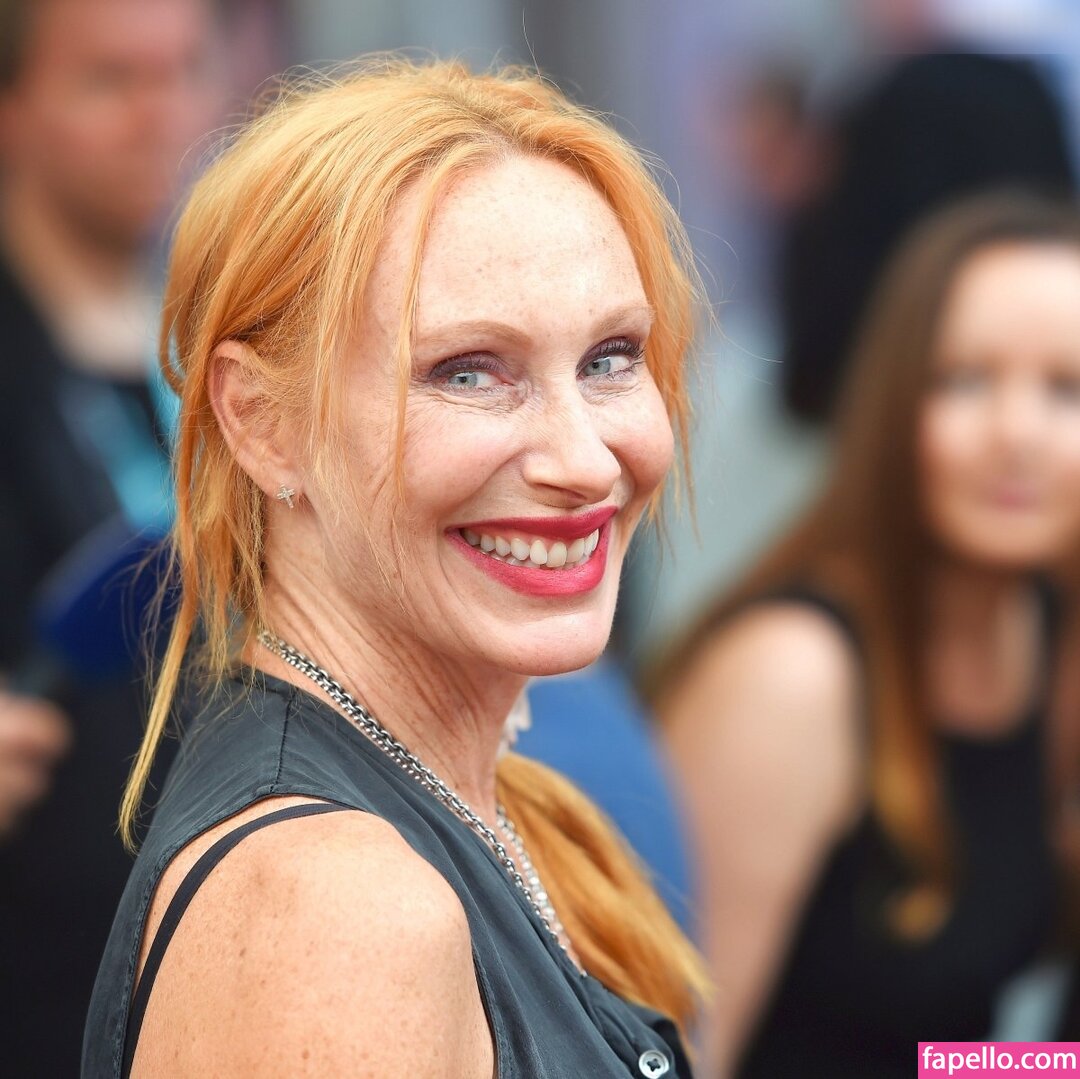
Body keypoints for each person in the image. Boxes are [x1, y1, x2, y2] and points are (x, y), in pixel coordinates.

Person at [83, 58, 709, 1077]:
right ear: (262, 421)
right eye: (469, 372)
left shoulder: (486, 815)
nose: (586, 459)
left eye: (610, 358)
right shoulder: (337, 908)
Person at [649, 192, 1080, 1077]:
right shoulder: (794, 674)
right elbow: (676, 1051)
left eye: (1066, 390)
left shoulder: (1044, 633)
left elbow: (934, 1056)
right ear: (892, 404)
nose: (1017, 436)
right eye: (965, 380)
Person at [0, 0, 220, 1072]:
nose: (160, 113)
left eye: (182, 71)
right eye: (110, 80)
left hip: (211, 959)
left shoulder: (226, 347)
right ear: (11, 109)